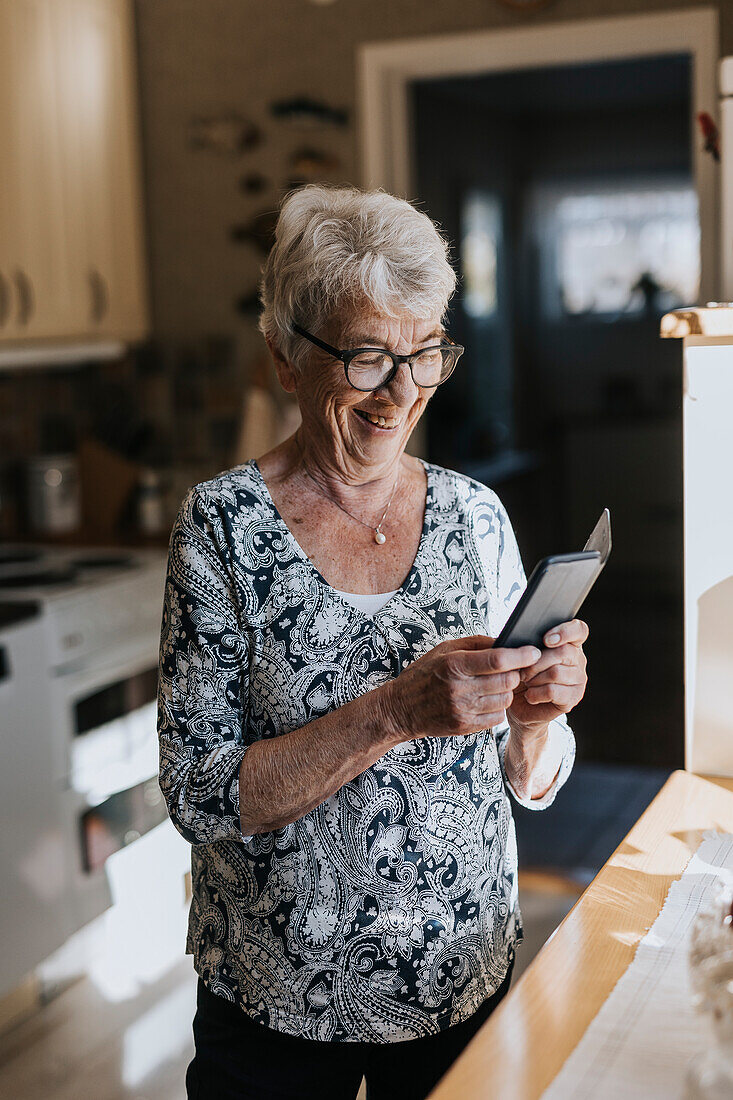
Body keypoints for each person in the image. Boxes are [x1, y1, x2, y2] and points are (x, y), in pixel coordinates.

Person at [157, 185, 588, 1100]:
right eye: (366, 358)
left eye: (425, 352)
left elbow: (528, 776)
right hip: (276, 1003)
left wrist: (536, 718)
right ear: (285, 357)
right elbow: (198, 794)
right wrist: (392, 710)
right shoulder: (221, 530)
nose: (403, 393)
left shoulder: (475, 517)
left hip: (460, 976)